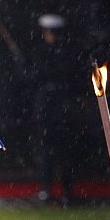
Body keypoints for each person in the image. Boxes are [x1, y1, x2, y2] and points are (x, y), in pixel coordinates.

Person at [33, 13, 80, 204]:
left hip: (57, 109)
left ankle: (59, 190)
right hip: (54, 109)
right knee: (53, 152)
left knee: (58, 152)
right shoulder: (50, 53)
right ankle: (54, 189)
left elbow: (38, 77)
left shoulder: (57, 54)